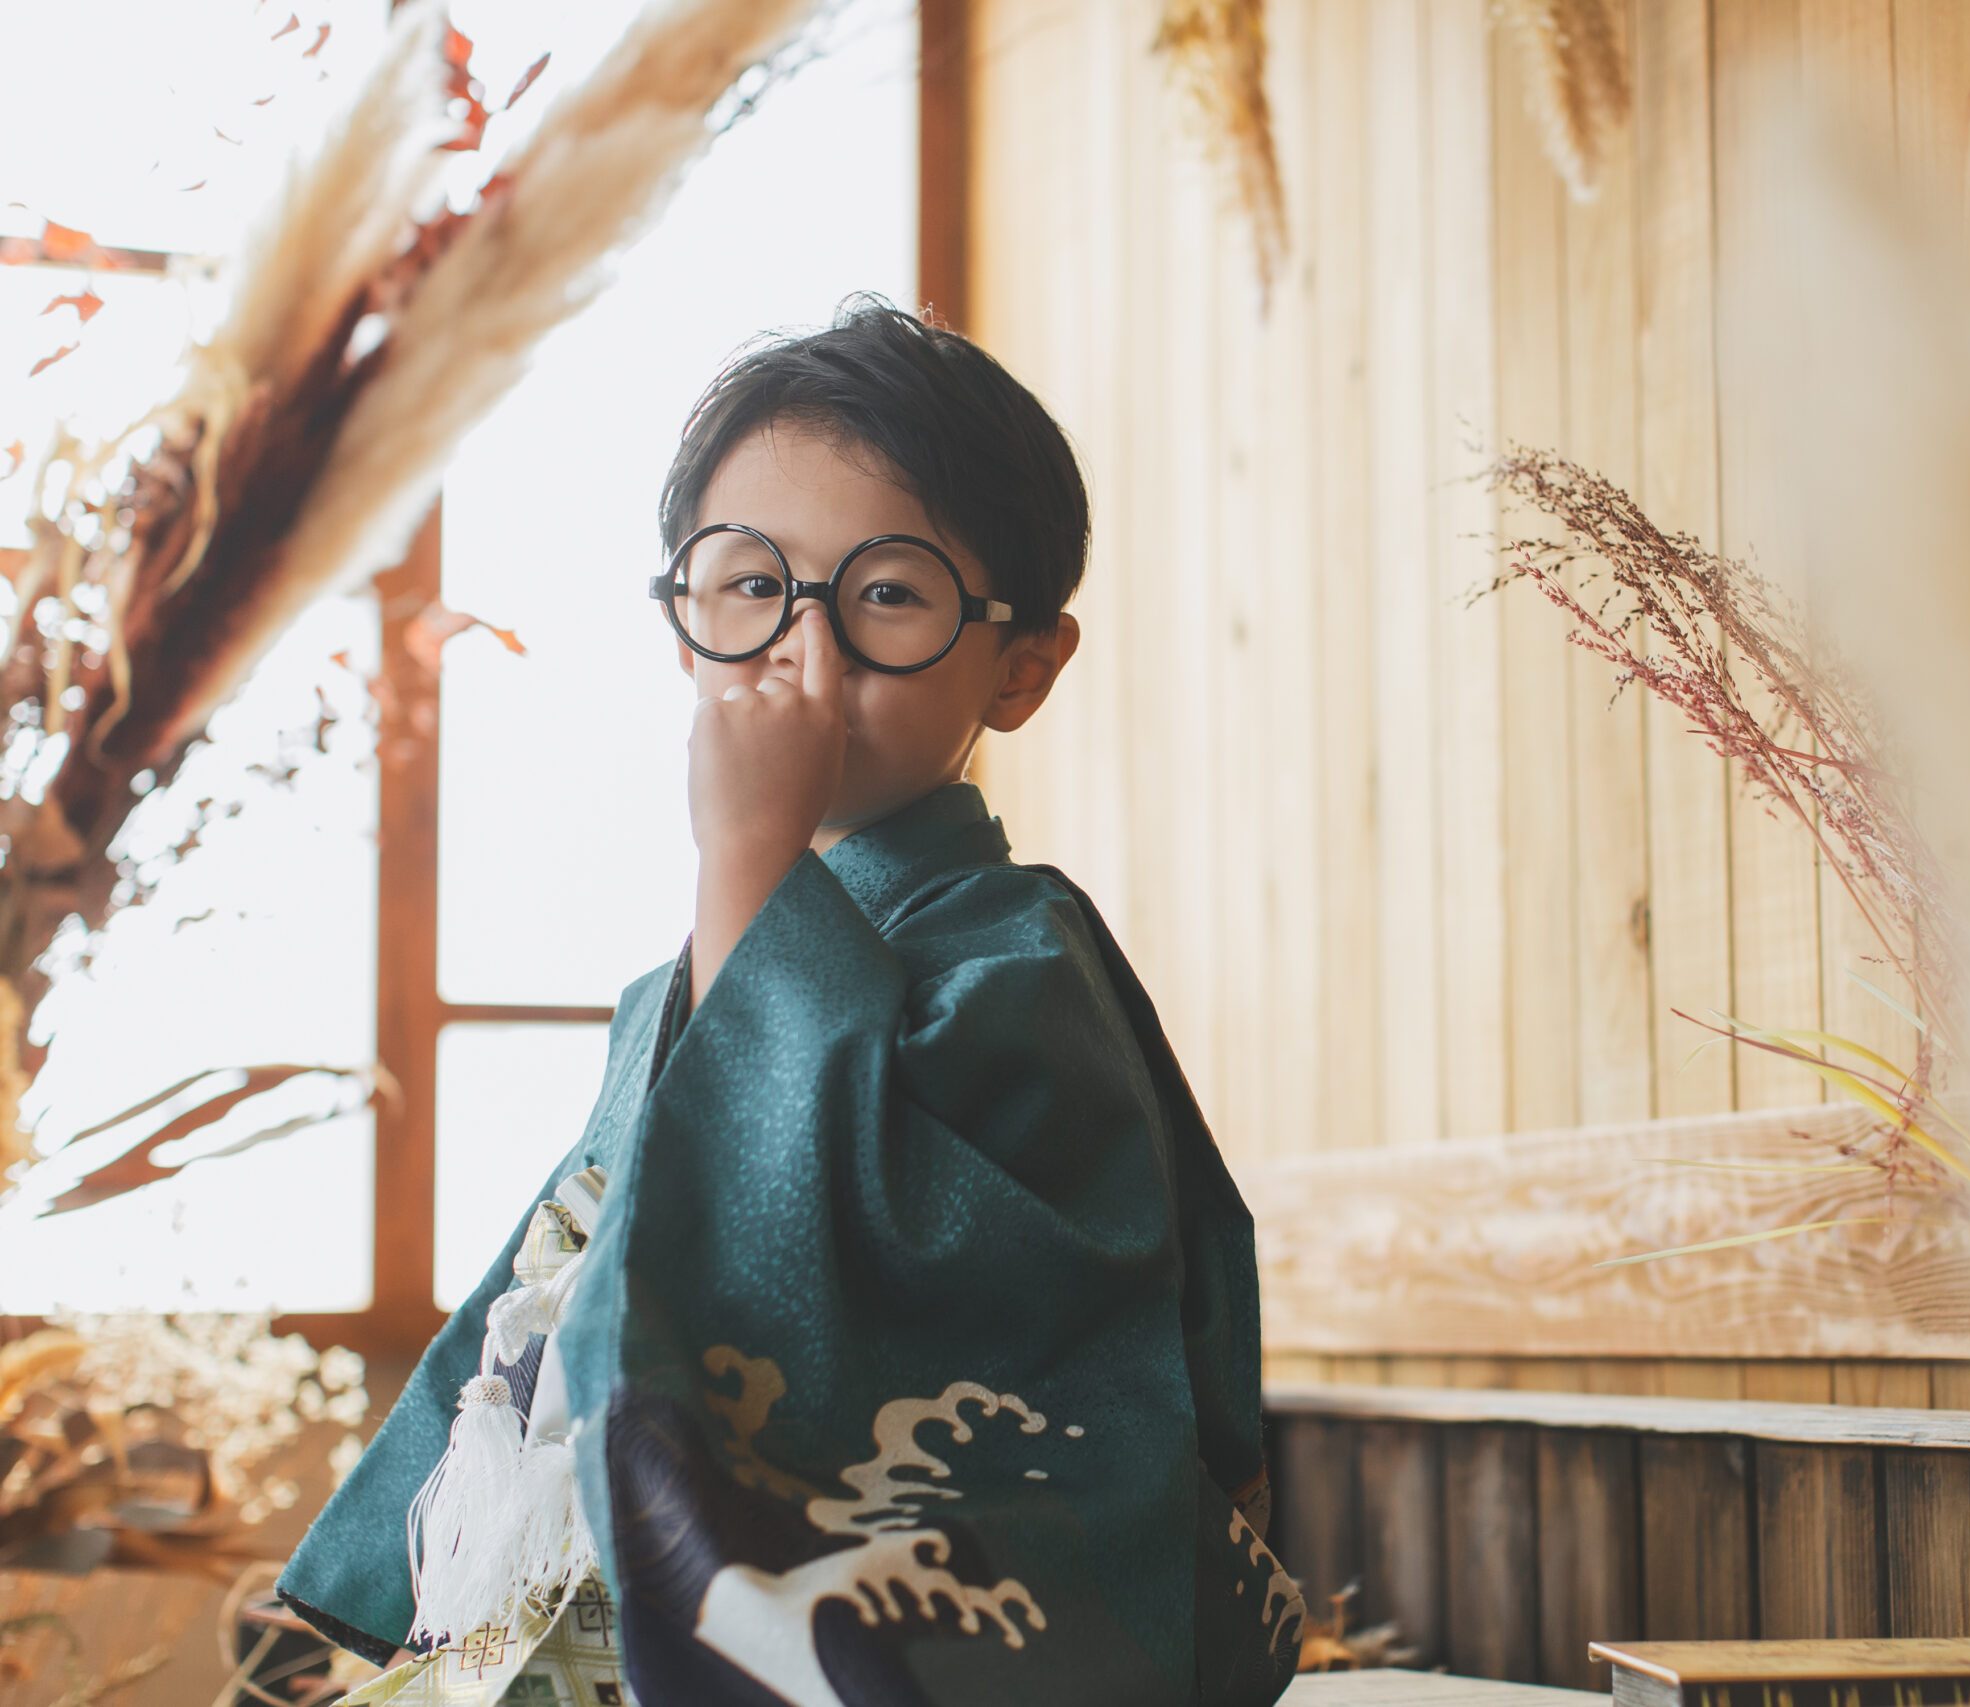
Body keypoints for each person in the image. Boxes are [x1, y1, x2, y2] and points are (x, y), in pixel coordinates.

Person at [277, 299, 1303, 1707]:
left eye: (887, 596)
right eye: (750, 584)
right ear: (682, 624)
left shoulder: (1020, 962)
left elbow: (882, 1286)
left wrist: (751, 859)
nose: (802, 654)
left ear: (1024, 667)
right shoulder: (686, 969)